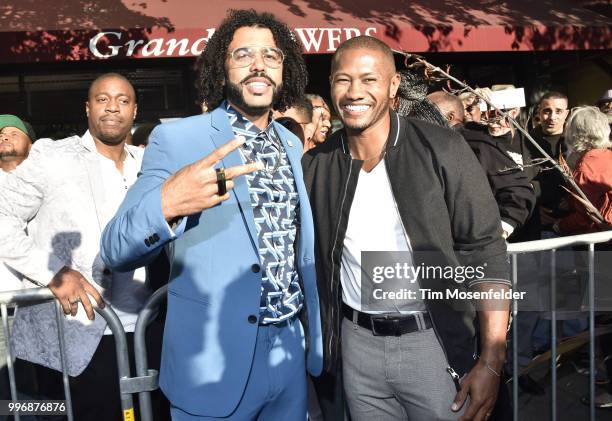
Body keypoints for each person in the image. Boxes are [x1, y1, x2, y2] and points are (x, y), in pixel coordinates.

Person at [100, 9, 322, 421]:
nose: (258, 65)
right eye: (243, 55)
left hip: (290, 354)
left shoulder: (292, 146)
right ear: (221, 69)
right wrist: (166, 203)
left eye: (271, 56)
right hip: (213, 364)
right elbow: (115, 248)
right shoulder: (180, 138)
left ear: (284, 69)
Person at [303, 35, 510, 421]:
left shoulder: (442, 148)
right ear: (330, 85)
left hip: (435, 343)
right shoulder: (317, 165)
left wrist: (491, 360)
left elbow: (486, 252)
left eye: (369, 79)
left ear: (393, 85)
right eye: (343, 80)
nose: (354, 92)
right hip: (356, 348)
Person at [0, 73, 168, 420]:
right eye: (103, 99)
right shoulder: (53, 157)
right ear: (88, 108)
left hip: (147, 331)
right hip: (75, 332)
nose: (113, 107)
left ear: (135, 111)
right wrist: (53, 273)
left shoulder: (149, 166)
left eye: (123, 100)